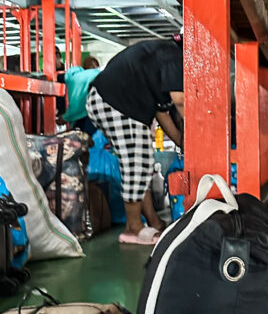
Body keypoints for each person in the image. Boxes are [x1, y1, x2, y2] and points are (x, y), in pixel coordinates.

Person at [86, 39, 183, 245]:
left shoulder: (162, 59)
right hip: (116, 101)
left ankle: (153, 221)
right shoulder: (176, 56)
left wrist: (184, 143)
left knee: (141, 163)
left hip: (108, 100)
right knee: (137, 165)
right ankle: (132, 228)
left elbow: (162, 113)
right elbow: (181, 101)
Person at [62, 56, 101, 134]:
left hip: (85, 118)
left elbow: (75, 105)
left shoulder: (74, 79)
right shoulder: (99, 74)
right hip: (99, 112)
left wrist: (65, 118)